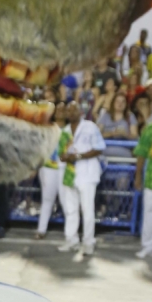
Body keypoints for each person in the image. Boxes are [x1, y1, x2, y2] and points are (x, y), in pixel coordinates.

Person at [56, 99, 105, 255]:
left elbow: (99, 148)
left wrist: (78, 156)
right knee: (71, 209)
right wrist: (64, 157)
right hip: (69, 173)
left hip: (87, 173)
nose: (71, 112)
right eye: (68, 110)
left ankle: (88, 242)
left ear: (81, 112)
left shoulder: (90, 127)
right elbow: (61, 152)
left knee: (87, 210)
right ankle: (71, 240)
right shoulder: (64, 131)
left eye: (74, 110)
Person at [132, 98, 152, 259]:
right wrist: (138, 175)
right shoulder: (151, 128)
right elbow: (142, 153)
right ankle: (147, 246)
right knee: (150, 212)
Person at [35, 100, 63, 238]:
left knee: (67, 200)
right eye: (59, 110)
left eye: (65, 110)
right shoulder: (47, 128)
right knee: (47, 199)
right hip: (48, 168)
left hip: (65, 168)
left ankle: (72, 233)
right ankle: (41, 230)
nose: (62, 112)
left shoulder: (72, 130)